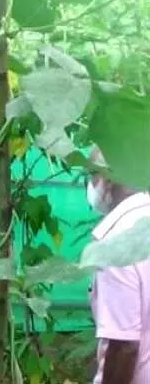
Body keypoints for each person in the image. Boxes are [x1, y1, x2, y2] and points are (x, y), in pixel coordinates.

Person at [87, 146, 150, 384]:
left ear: (107, 178)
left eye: (92, 175)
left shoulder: (115, 244)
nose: (91, 185)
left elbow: (124, 345)